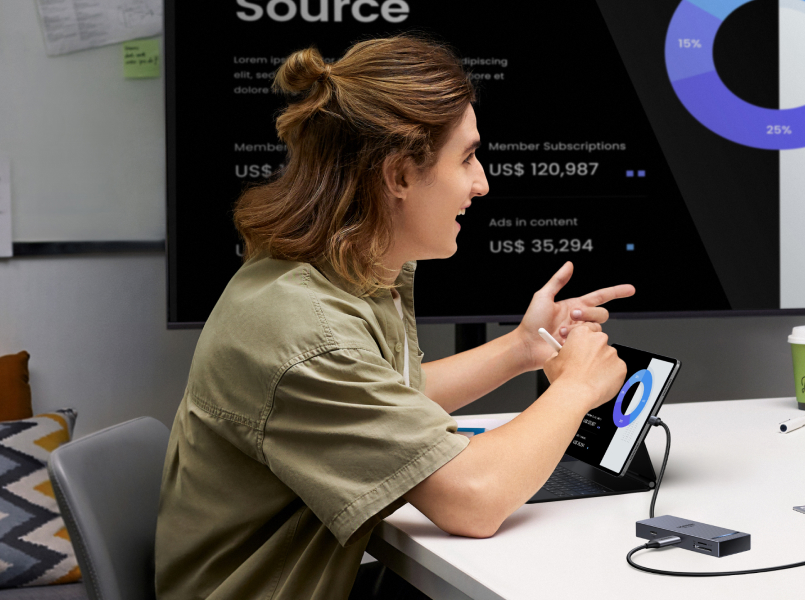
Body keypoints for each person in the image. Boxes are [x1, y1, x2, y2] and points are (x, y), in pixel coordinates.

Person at [155, 36, 634, 599]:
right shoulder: (305, 330)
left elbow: (383, 397)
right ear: (400, 176)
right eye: (467, 157)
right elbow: (473, 499)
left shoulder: (327, 275)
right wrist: (577, 387)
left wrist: (522, 348)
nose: (482, 183)